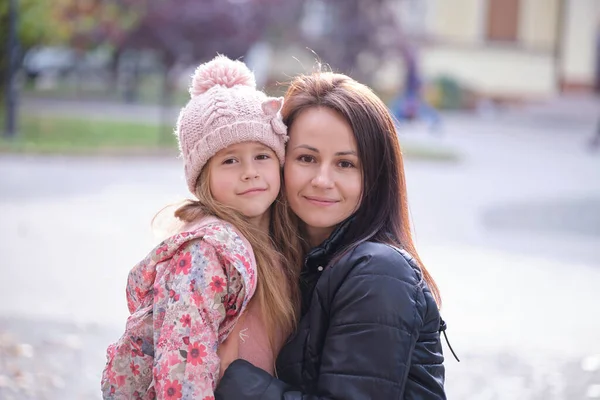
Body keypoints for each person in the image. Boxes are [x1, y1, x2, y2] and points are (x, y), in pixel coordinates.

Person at [215, 70, 451, 399]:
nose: (323, 180)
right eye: (307, 158)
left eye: (345, 164)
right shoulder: (293, 263)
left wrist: (235, 382)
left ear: (376, 176)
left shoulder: (379, 273)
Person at [100, 55, 302, 399]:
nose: (250, 171)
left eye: (262, 155)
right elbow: (181, 368)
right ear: (202, 177)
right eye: (230, 160)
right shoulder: (204, 254)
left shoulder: (275, 241)